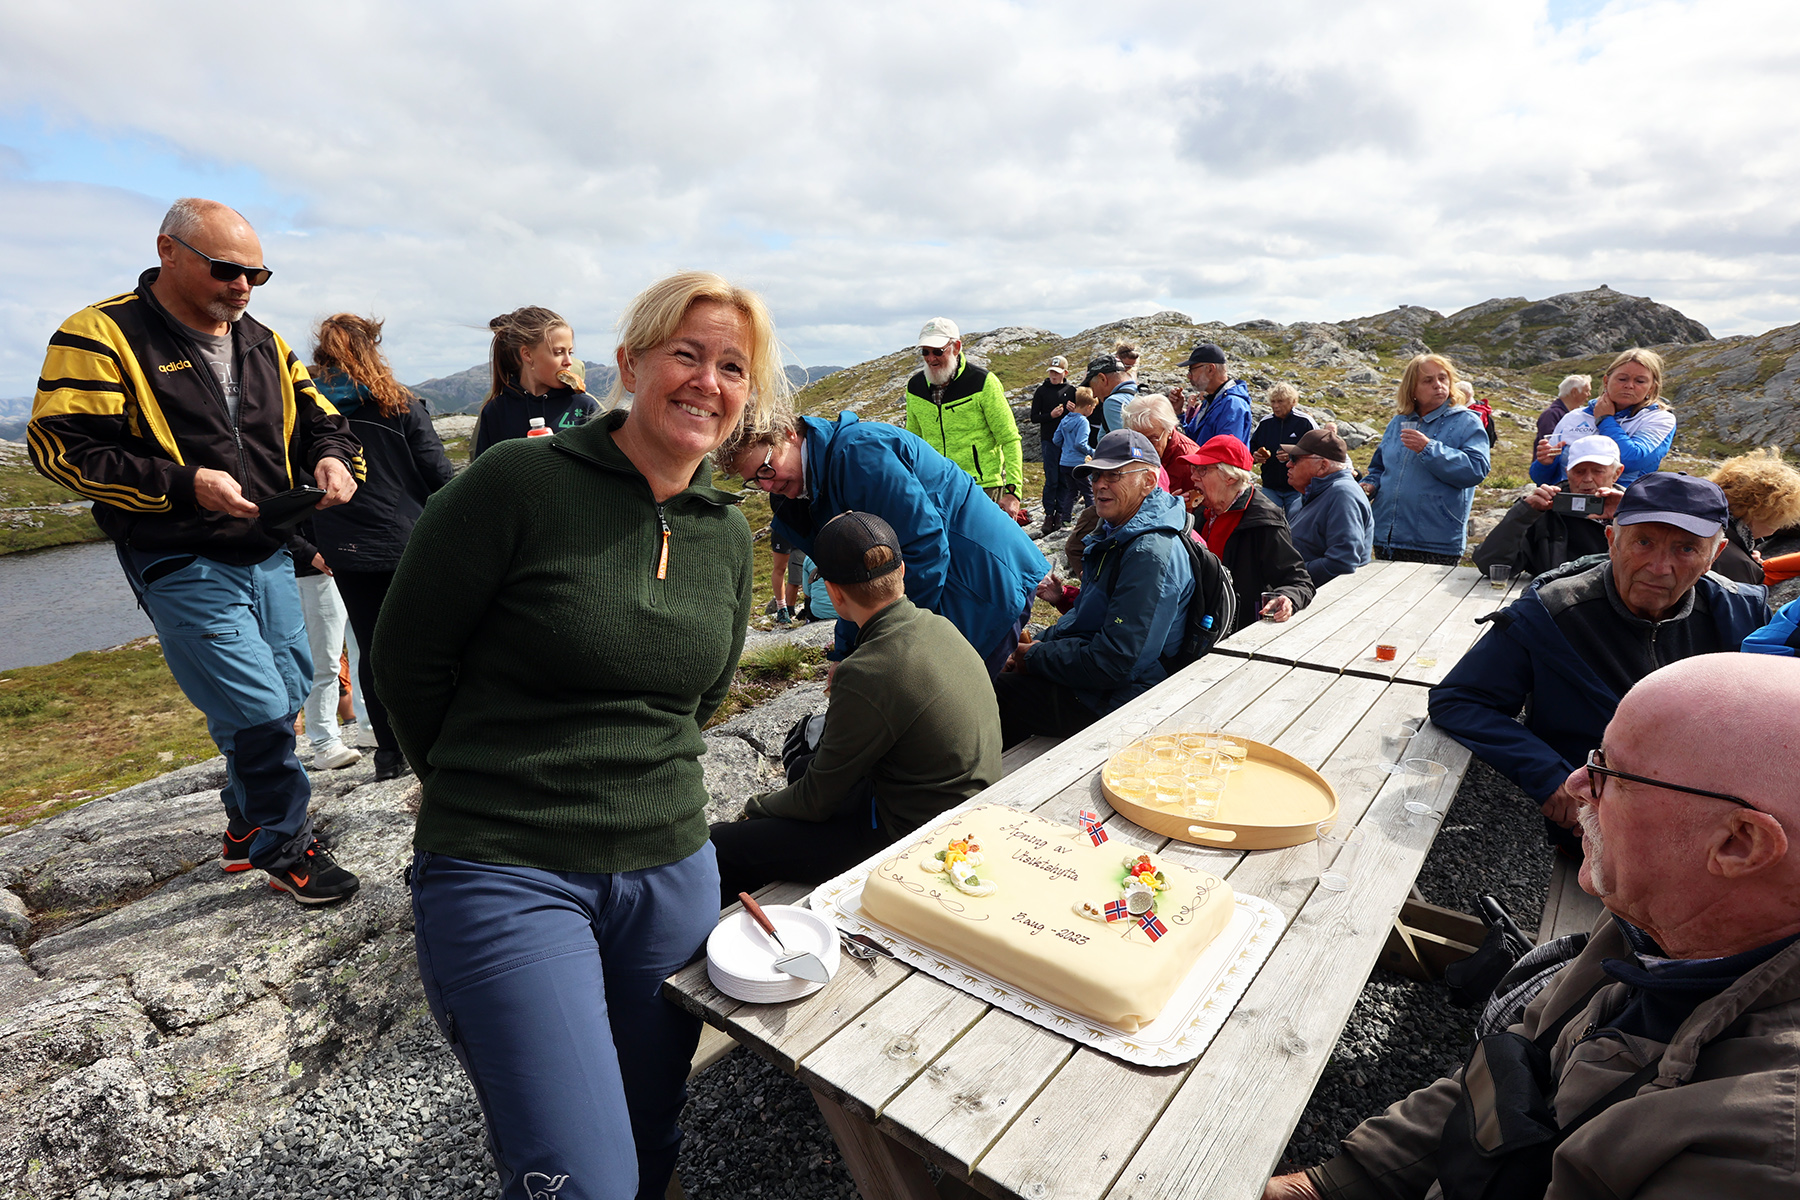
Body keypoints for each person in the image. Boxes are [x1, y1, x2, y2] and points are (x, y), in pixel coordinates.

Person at [376, 271, 782, 1200]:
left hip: (670, 864)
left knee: (652, 1125)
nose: (708, 382)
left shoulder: (726, 534)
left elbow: (702, 698)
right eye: (687, 354)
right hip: (509, 864)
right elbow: (406, 662)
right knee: (582, 1175)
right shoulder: (518, 482)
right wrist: (480, 782)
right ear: (630, 365)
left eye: (732, 367)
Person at [1267, 653, 1800, 1200]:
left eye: (1610, 774)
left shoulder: (1761, 1148)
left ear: (1739, 843)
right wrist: (1333, 1185)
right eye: (1592, 758)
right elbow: (1510, 1065)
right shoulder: (1651, 926)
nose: (1575, 784)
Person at [28, 197, 362, 905]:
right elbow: (62, 447)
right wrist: (187, 484)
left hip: (266, 546)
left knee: (287, 686)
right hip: (177, 553)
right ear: (168, 251)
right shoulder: (99, 334)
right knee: (258, 705)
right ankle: (286, 845)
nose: (242, 286)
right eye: (226, 270)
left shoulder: (264, 342)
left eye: (256, 275)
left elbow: (323, 422)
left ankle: (244, 823)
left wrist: (333, 459)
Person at [1429, 473, 1768, 857]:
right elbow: (1460, 699)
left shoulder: (1743, 615)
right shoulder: (1552, 611)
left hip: (1711, 828)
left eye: (1687, 548)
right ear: (1612, 541)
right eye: (1643, 542)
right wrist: (1550, 775)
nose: (1660, 567)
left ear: (1715, 555)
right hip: (1596, 827)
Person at [710, 513, 1001, 903]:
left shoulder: (867, 670)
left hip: (915, 839)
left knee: (722, 844)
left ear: (834, 593)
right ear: (901, 570)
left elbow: (815, 801)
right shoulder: (939, 626)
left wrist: (755, 807)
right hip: (963, 805)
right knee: (803, 768)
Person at [720, 403, 1048, 676]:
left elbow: (924, 549)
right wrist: (845, 654)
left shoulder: (859, 456)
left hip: (983, 582)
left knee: (958, 703)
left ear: (788, 434)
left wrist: (889, 644)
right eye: (753, 481)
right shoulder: (804, 494)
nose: (766, 486)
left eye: (766, 469)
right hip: (958, 587)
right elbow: (850, 583)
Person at [308, 313, 457, 781]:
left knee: (373, 650)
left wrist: (309, 543)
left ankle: (389, 754)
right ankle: (438, 743)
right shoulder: (399, 403)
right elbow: (438, 472)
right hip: (407, 541)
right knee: (429, 644)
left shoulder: (311, 413)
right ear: (372, 348)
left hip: (344, 548)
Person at [993, 431, 1194, 746]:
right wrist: (1034, 647)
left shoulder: (1148, 554)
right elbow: (1086, 623)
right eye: (1096, 475)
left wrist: (1031, 657)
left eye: (1114, 475)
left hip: (1117, 702)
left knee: (987, 694)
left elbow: (1118, 662)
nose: (1099, 484)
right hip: (1097, 684)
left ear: (1148, 481)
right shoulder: (1117, 534)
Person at [1361, 353, 1492, 563]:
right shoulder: (1398, 422)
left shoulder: (1466, 421)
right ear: (1412, 389)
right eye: (1428, 380)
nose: (1438, 385)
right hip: (1386, 536)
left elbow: (1476, 469)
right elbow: (1379, 468)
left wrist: (1428, 448)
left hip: (1435, 541)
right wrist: (1370, 484)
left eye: (1442, 378)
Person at [1182, 435, 1314, 631]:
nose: (1193, 477)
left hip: (1238, 629)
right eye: (1194, 468)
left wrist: (1288, 598)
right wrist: (1178, 521)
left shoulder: (1264, 520)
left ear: (1230, 477)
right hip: (1199, 623)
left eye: (1203, 470)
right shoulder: (1199, 512)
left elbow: (1299, 582)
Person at [903, 317, 1025, 518]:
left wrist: (1013, 492)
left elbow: (1009, 438)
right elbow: (912, 442)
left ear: (956, 347)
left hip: (981, 488)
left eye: (938, 351)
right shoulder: (915, 387)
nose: (931, 358)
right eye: (925, 351)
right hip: (933, 489)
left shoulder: (983, 383)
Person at [1471, 435, 1623, 580]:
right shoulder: (1544, 509)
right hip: (1551, 595)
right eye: (1579, 471)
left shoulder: (1631, 510)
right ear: (1567, 473)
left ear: (1617, 473)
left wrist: (1626, 516)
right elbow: (1490, 565)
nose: (1587, 479)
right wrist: (1524, 513)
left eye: (1598, 471)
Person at [1533, 348, 1674, 488]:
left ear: (1651, 388)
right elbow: (1541, 479)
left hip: (1625, 500)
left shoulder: (1660, 419)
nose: (1629, 385)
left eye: (1640, 381)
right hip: (1568, 499)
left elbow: (1632, 460)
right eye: (1622, 379)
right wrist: (1544, 464)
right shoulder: (1573, 417)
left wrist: (1605, 419)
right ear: (1606, 381)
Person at [470, 307, 600, 458]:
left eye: (570, 352)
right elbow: (484, 469)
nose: (568, 361)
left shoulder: (584, 406)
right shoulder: (496, 411)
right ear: (527, 354)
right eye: (558, 352)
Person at [290, 528, 361, 770]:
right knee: (325, 660)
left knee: (365, 650)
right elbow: (273, 518)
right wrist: (308, 552)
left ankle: (369, 726)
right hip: (315, 571)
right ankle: (325, 743)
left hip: (356, 560)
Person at [1283, 429, 1373, 589]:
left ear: (1323, 466)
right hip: (1298, 592)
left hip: (1325, 599)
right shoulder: (1308, 495)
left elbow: (1342, 562)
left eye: (1295, 459)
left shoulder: (1343, 494)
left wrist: (1287, 576)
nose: (1288, 464)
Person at [1708, 447, 1800, 586]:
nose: (1784, 524)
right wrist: (1749, 568)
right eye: (1783, 517)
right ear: (1764, 513)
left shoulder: (1704, 522)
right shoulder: (1739, 566)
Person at [1247, 382, 1316, 519]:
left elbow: (1318, 450)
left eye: (1280, 401)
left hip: (1298, 488)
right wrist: (1254, 456)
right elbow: (1250, 447)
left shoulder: (1305, 422)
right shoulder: (1265, 423)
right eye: (1273, 401)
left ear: (1292, 402)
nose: (1276, 406)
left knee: (1295, 525)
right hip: (1270, 487)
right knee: (1268, 522)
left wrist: (1293, 456)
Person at [1123, 394, 1201, 507]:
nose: (1144, 446)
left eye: (1152, 439)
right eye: (1137, 439)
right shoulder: (1128, 448)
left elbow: (1200, 506)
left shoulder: (1189, 460)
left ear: (1169, 430)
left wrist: (1171, 506)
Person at [1169, 342, 1252, 446]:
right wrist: (1179, 412)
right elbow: (1190, 441)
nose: (1189, 376)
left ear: (1210, 369)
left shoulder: (1232, 405)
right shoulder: (1211, 402)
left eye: (1192, 370)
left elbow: (1226, 451)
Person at [1045, 387, 1098, 534]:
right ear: (1088, 407)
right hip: (1078, 464)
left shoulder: (1065, 419)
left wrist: (1066, 448)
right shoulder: (1083, 422)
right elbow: (1080, 443)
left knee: (1071, 491)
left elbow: (1056, 439)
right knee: (1088, 491)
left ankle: (1065, 520)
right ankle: (1092, 520)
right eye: (1093, 408)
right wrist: (1094, 452)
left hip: (1064, 462)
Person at [1029, 355, 1076, 523]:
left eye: (1057, 372)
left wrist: (1074, 410)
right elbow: (1034, 417)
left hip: (1067, 441)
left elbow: (1080, 415)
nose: (1053, 376)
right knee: (1051, 478)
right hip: (1048, 439)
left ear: (1065, 373)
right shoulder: (1041, 391)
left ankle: (1060, 513)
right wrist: (1051, 415)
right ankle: (1049, 514)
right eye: (1051, 372)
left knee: (1064, 478)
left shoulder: (1072, 391)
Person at [1082, 353, 1138, 437]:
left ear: (1102, 379)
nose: (1094, 395)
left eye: (1092, 387)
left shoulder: (1113, 402)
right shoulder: (1140, 392)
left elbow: (1125, 442)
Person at [1536, 373, 1591, 441]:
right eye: (1587, 391)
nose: (1589, 394)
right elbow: (1550, 443)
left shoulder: (1579, 413)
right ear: (1574, 392)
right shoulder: (1551, 415)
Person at [768, 533, 802, 624]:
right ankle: (782, 609)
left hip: (802, 531)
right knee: (780, 568)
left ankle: (806, 608)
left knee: (800, 571)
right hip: (782, 532)